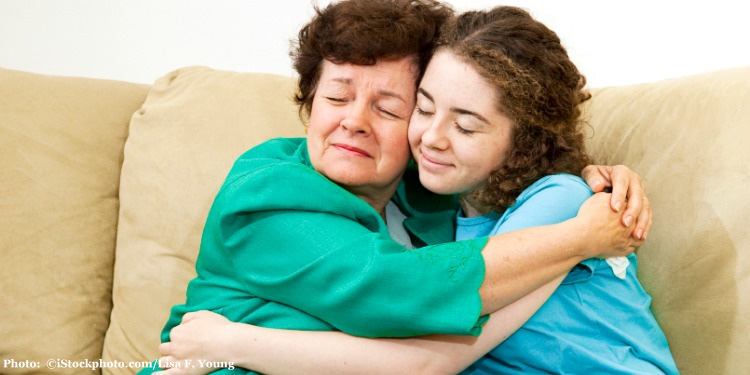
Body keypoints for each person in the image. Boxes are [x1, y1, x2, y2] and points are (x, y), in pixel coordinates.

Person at [144, 1, 653, 374]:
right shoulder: (265, 193)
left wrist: (591, 177)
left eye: (390, 109)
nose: (354, 123)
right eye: (336, 97)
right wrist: (582, 236)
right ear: (309, 101)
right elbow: (402, 290)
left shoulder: (430, 189)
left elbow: (511, 171)